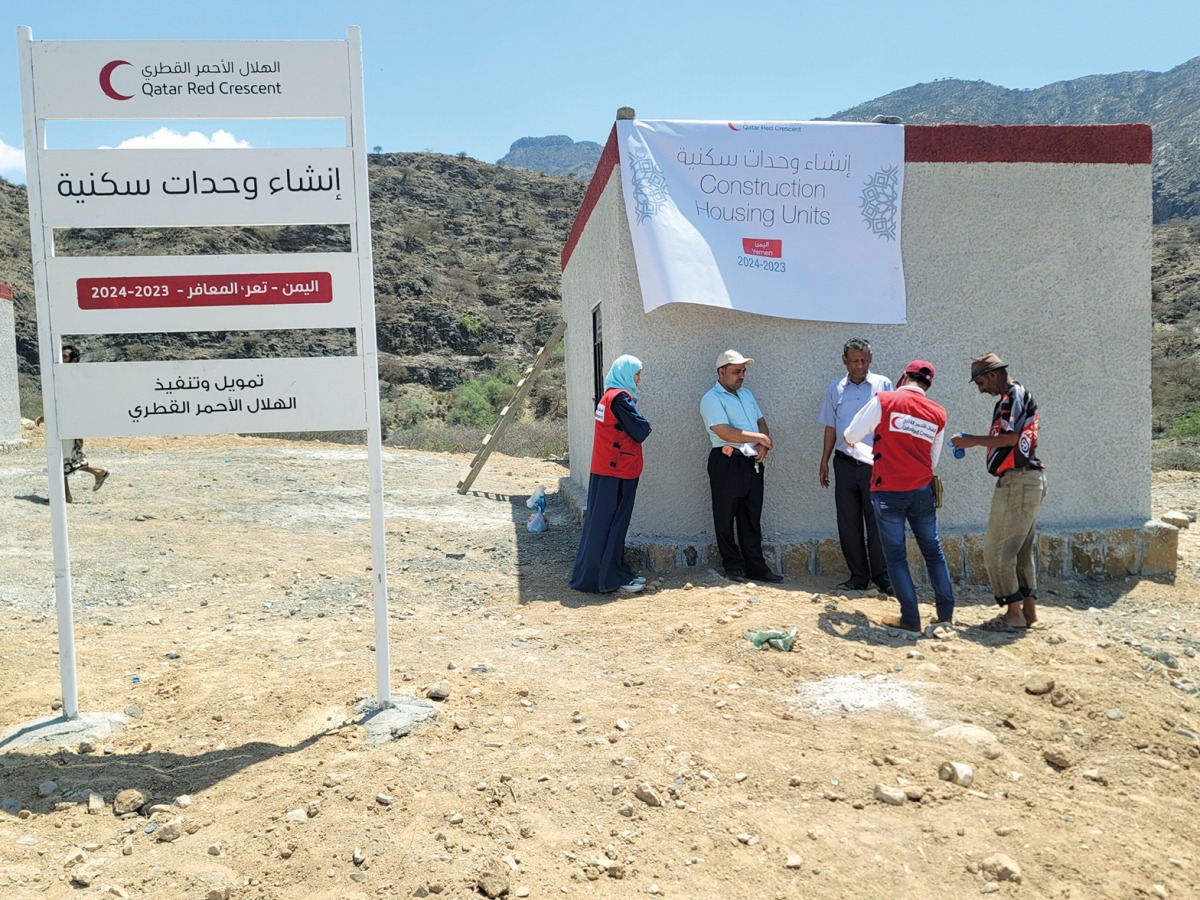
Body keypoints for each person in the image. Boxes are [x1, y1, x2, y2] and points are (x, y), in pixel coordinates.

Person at [843, 360, 954, 634]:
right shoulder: (938, 413)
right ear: (928, 385)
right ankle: (946, 615)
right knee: (933, 550)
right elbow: (933, 460)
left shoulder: (885, 400)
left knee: (895, 556)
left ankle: (910, 618)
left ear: (904, 376)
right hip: (921, 490)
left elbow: (850, 435)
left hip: (888, 489)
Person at [951, 353, 1046, 632]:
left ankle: (1013, 615)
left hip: (1017, 482)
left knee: (997, 550)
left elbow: (1012, 438)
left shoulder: (1012, 396)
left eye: (980, 382)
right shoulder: (1015, 397)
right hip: (1028, 481)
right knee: (1020, 550)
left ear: (993, 375)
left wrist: (971, 441)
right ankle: (1028, 613)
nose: (981, 389)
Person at [569, 355, 652, 594]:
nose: (639, 379)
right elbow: (642, 429)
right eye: (637, 374)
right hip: (618, 471)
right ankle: (610, 578)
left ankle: (599, 575)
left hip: (605, 470)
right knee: (613, 524)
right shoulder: (620, 399)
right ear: (625, 374)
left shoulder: (608, 397)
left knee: (600, 524)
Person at [817, 338, 894, 593]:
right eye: (854, 361)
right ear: (844, 360)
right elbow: (830, 426)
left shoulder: (883, 385)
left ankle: (883, 578)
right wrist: (824, 461)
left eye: (863, 361)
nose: (859, 366)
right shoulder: (835, 389)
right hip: (845, 464)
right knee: (848, 521)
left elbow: (891, 425)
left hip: (875, 464)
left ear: (870, 360)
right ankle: (858, 576)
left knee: (878, 521)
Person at [700, 350, 783, 584]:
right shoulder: (711, 399)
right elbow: (723, 431)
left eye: (743, 371)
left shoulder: (746, 395)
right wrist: (759, 438)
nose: (742, 376)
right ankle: (733, 567)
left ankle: (756, 567)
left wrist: (763, 446)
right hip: (726, 461)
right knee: (725, 517)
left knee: (751, 517)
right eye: (736, 371)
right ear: (721, 372)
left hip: (752, 461)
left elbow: (761, 422)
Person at [41, 346, 109, 504]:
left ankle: (97, 473)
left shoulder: (73, 379)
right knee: (64, 459)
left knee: (62, 458)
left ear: (74, 360)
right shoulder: (63, 377)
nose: (61, 359)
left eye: (64, 357)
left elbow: (71, 403)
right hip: (65, 423)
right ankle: (67, 495)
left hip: (69, 424)